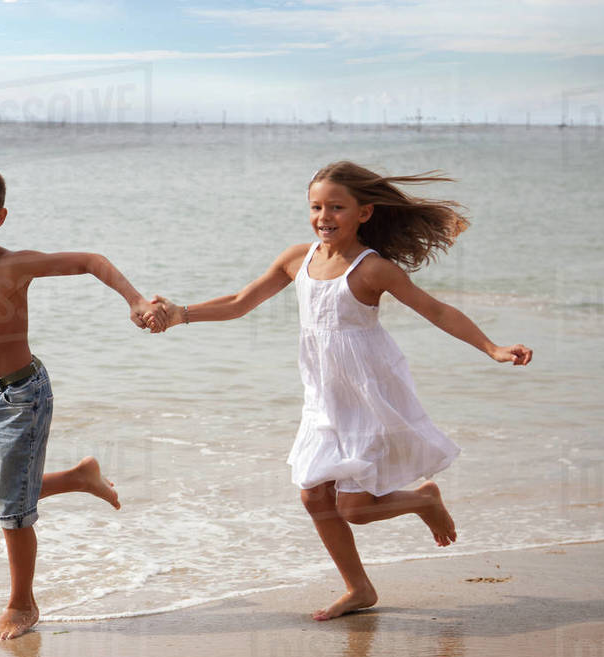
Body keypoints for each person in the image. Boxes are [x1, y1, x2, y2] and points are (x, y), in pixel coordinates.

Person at [145, 161, 532, 621]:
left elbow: (437, 310)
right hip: (322, 395)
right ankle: (359, 588)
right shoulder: (297, 259)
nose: (323, 216)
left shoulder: (374, 270)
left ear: (364, 212)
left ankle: (425, 500)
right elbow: (239, 302)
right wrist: (180, 313)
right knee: (312, 496)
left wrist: (492, 347)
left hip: (367, 394)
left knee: (354, 509)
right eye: (316, 206)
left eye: (336, 207)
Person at [0, 163, 153, 640]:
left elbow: (91, 260)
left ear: (0, 216)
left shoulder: (14, 265)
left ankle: (22, 605)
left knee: (12, 513)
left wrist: (135, 300)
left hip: (22, 395)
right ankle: (78, 477)